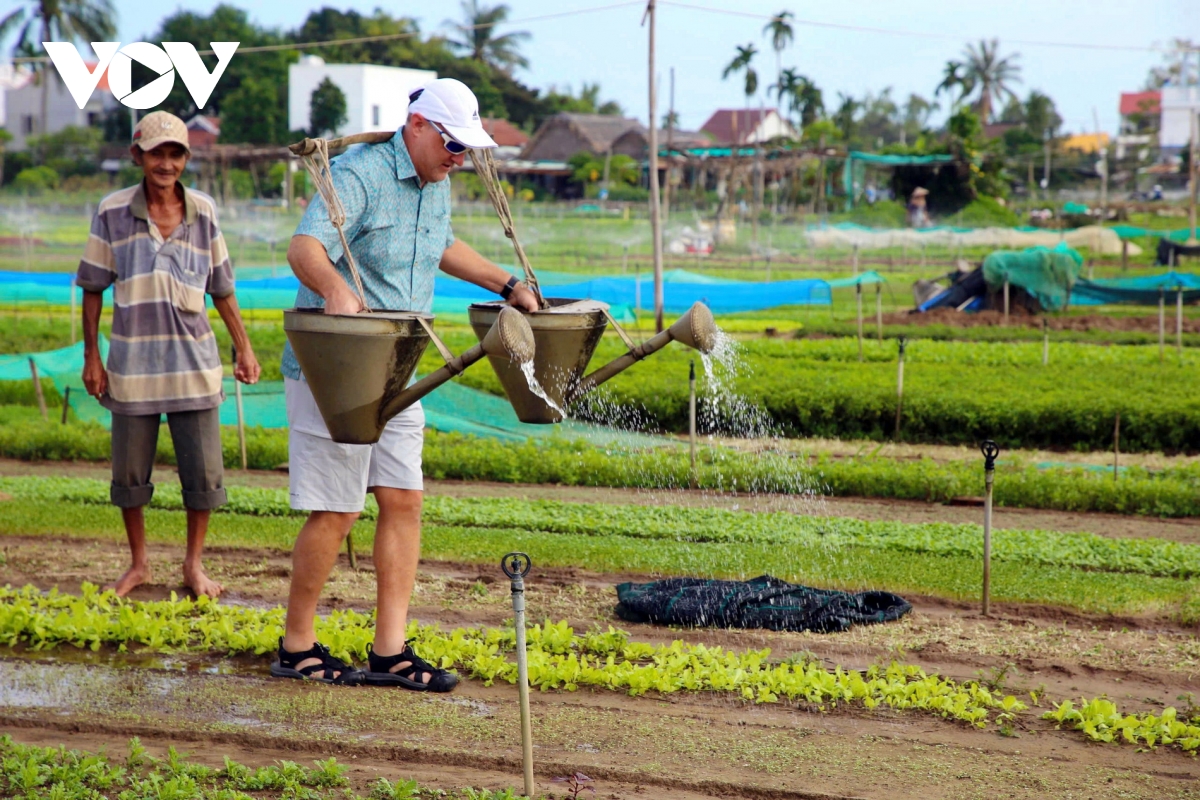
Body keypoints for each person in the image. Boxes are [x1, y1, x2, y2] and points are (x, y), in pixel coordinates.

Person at [273, 79, 539, 689]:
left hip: (400, 365)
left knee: (403, 499)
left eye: (467, 149)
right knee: (337, 511)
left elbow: (440, 246)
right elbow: (305, 245)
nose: (459, 158)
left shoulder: (434, 184)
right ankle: (296, 645)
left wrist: (506, 285)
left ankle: (389, 650)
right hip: (335, 366)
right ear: (417, 125)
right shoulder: (361, 173)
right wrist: (338, 290)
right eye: (452, 144)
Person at [76, 110, 261, 598]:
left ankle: (193, 566)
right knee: (129, 475)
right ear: (138, 156)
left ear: (186, 159)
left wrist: (244, 348)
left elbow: (222, 288)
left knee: (202, 475)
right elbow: (93, 287)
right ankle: (138, 565)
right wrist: (92, 357)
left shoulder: (203, 212)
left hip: (194, 366)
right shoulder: (113, 210)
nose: (166, 162)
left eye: (175, 153)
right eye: (156, 152)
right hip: (133, 367)